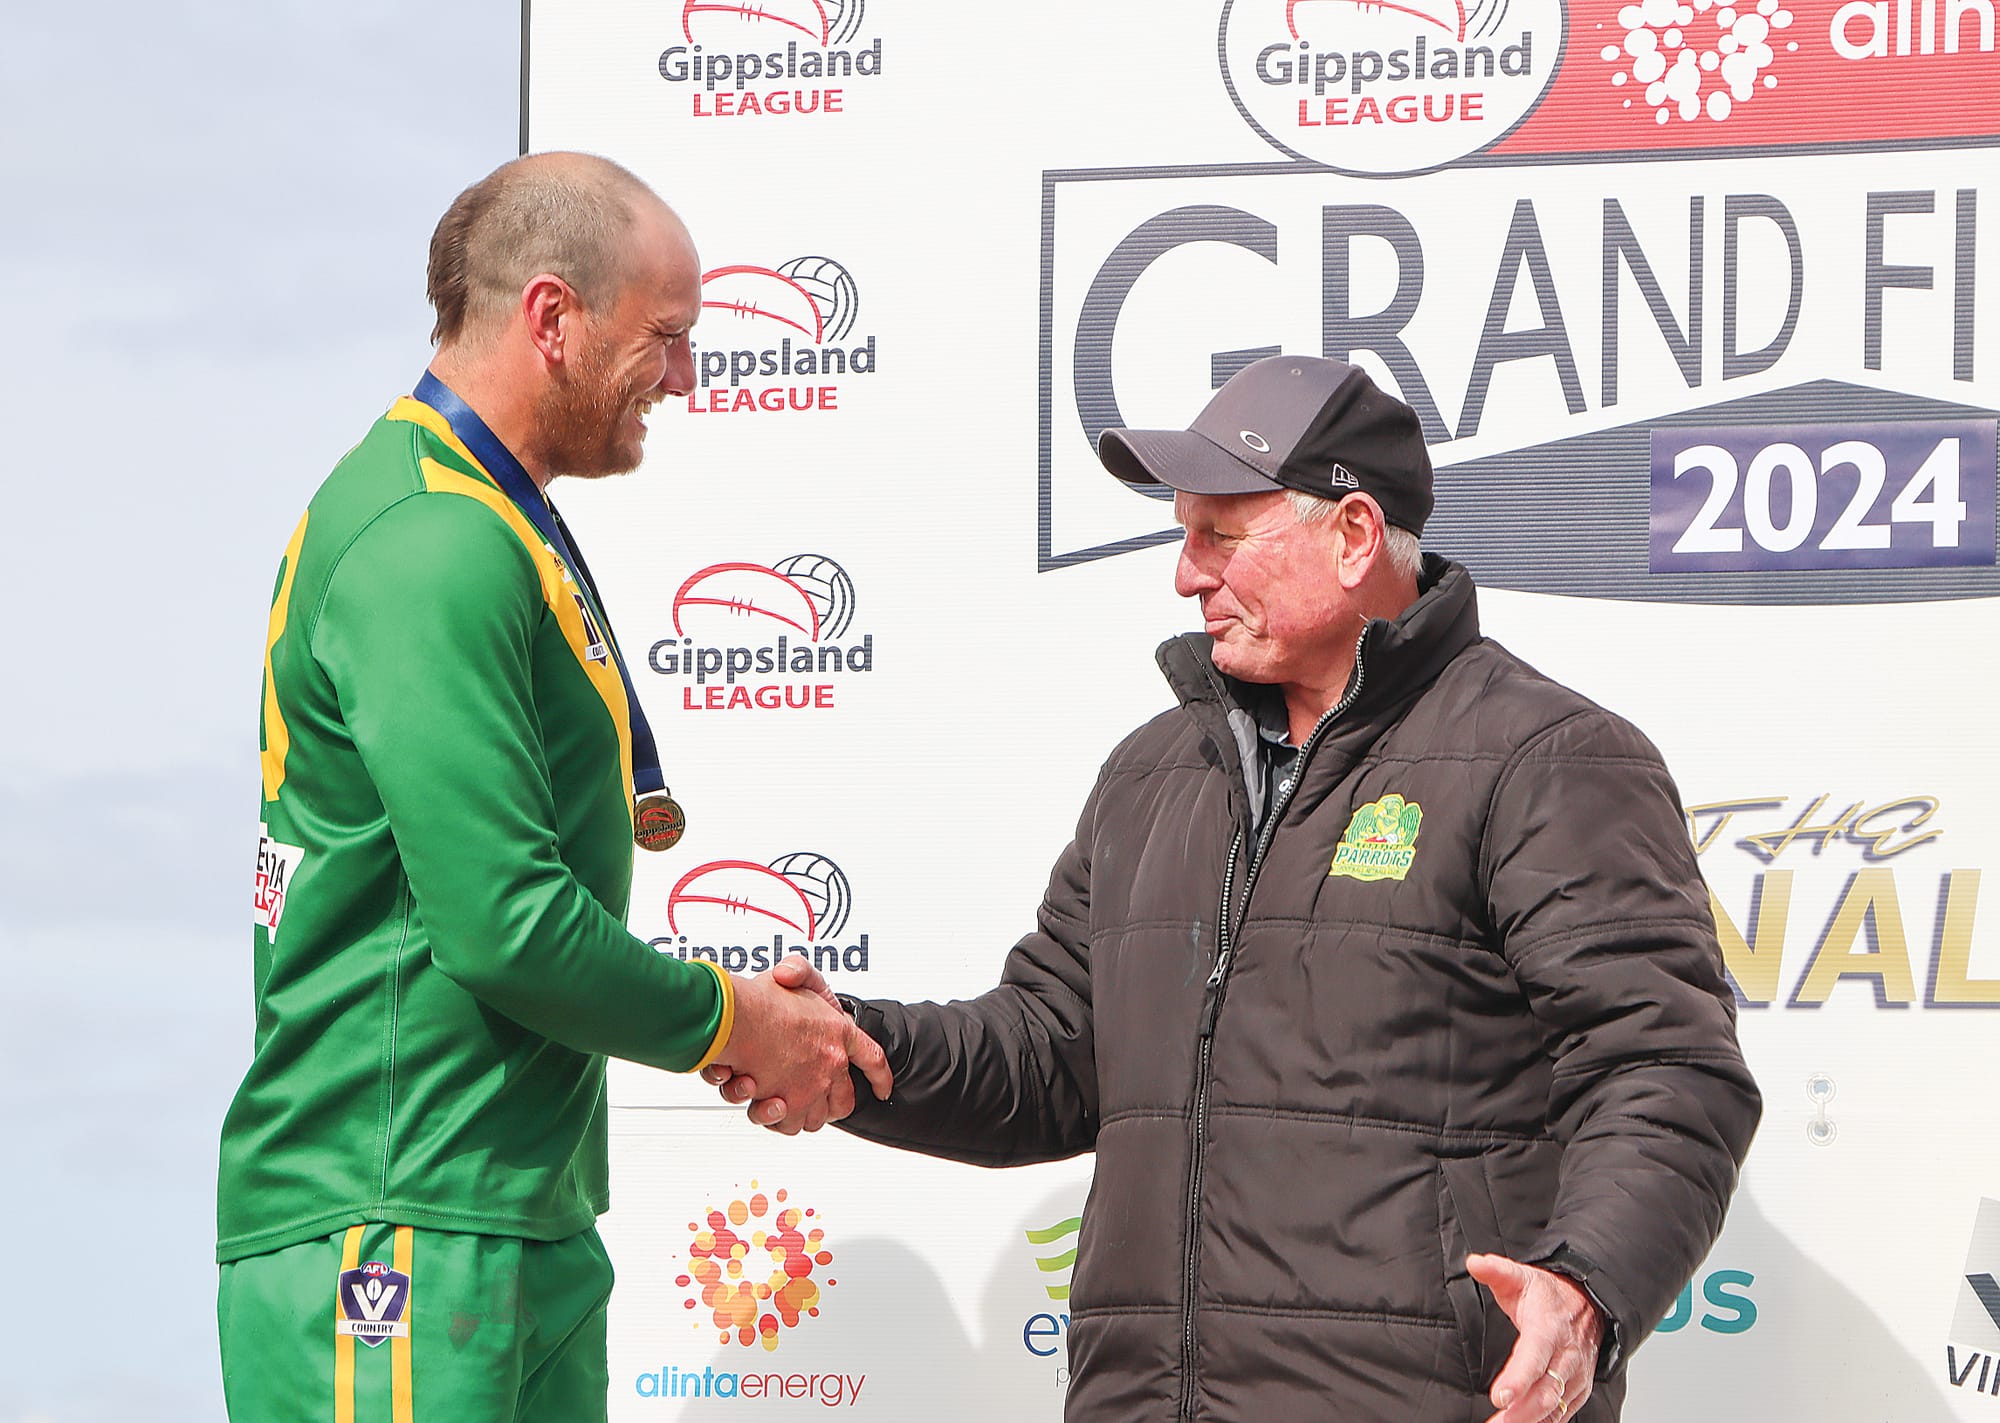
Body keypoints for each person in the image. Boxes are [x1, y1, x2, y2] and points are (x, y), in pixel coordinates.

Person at [706, 356, 1762, 1422]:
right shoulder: (1150, 773)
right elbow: (1050, 1053)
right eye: (1182, 534)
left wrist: (1586, 1286)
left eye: (1221, 534)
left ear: (1352, 536)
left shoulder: (1547, 758)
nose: (1183, 573)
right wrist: (853, 1050)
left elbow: (1664, 1069)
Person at [216, 153, 887, 1423]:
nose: (688, 376)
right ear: (550, 316)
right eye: (667, 337)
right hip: (400, 1213)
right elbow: (501, 922)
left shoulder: (480, 515)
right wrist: (734, 1023)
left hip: (497, 1206)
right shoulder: (431, 533)